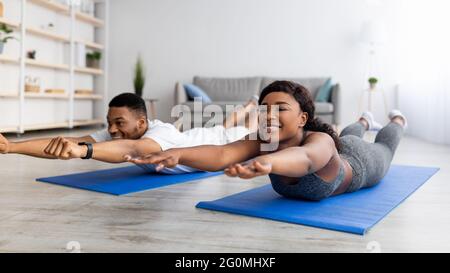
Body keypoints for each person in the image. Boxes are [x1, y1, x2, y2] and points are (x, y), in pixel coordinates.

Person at [126, 81, 407, 200]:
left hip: (361, 163)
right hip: (341, 147)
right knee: (349, 134)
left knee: (383, 145)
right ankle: (362, 122)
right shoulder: (263, 140)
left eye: (281, 108)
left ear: (302, 118)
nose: (269, 115)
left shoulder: (319, 139)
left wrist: (267, 162)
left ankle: (396, 121)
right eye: (265, 109)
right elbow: (223, 154)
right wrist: (178, 154)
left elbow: (306, 159)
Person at [0, 93, 258, 173]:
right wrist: (11, 146)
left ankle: (254, 108)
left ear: (142, 122)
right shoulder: (117, 133)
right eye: (109, 122)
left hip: (218, 143)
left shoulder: (161, 134)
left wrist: (82, 151)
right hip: (203, 134)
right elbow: (67, 142)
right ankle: (247, 106)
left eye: (119, 122)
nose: (112, 129)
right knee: (222, 125)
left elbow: (134, 150)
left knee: (243, 128)